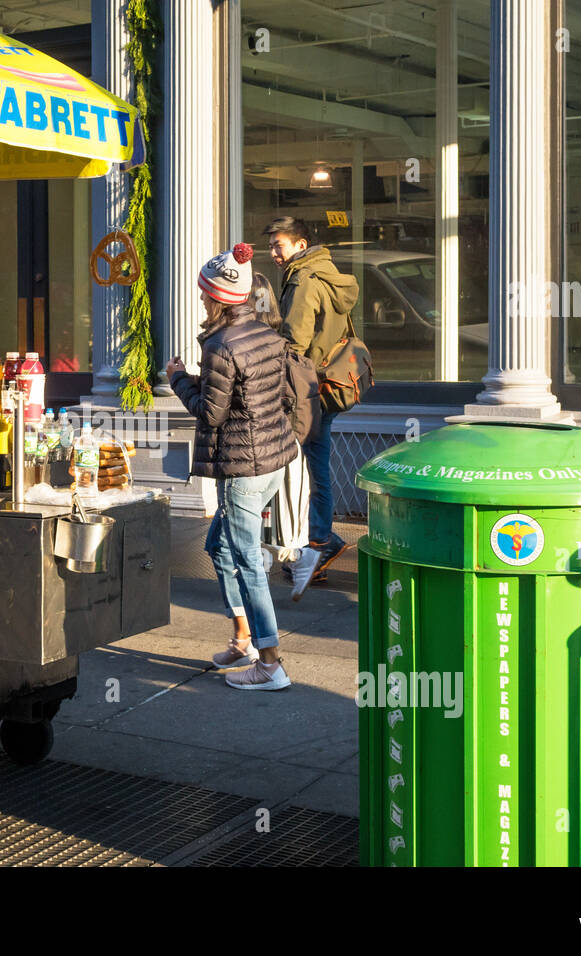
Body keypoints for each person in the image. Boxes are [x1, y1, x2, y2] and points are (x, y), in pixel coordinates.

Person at [167, 243, 298, 691]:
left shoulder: (222, 346)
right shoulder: (265, 333)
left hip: (243, 468)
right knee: (220, 548)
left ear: (220, 298)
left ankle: (270, 663)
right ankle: (243, 636)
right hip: (271, 460)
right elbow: (276, 397)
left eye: (206, 295)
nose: (202, 301)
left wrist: (179, 379)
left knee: (246, 561)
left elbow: (209, 413)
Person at [265, 216, 360, 595]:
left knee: (309, 469)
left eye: (279, 246)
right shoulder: (326, 272)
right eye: (272, 246)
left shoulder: (303, 281)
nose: (273, 252)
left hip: (308, 389)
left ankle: (318, 547)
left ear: (300, 245)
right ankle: (321, 542)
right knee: (313, 466)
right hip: (326, 383)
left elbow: (295, 343)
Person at [250, 272, 318, 600]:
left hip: (267, 445)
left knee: (264, 515)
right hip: (287, 443)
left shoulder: (253, 344)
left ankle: (283, 564)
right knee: (279, 514)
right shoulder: (279, 340)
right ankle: (270, 567)